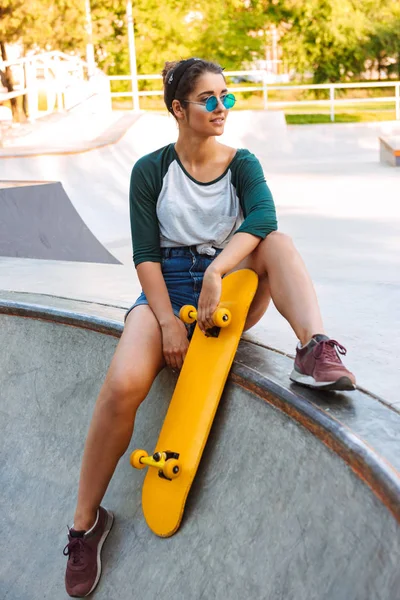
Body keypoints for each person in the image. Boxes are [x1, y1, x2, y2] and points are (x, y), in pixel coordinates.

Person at [63, 57, 356, 597]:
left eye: (227, 97)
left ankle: (314, 347)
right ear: (178, 109)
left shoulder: (242, 163)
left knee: (281, 244)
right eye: (208, 100)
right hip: (168, 290)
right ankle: (85, 524)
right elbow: (146, 254)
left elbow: (263, 219)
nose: (222, 108)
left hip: (232, 283)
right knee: (124, 384)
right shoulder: (150, 171)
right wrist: (169, 321)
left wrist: (219, 269)